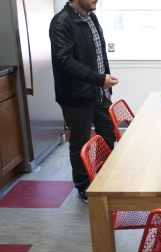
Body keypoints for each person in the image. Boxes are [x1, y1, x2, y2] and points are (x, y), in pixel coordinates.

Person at [49, 0, 119, 203]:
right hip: (75, 96)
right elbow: (65, 61)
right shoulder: (61, 22)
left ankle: (104, 180)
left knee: (108, 137)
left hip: (99, 93)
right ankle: (84, 186)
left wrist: (107, 83)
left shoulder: (91, 17)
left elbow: (100, 56)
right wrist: (99, 80)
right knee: (80, 143)